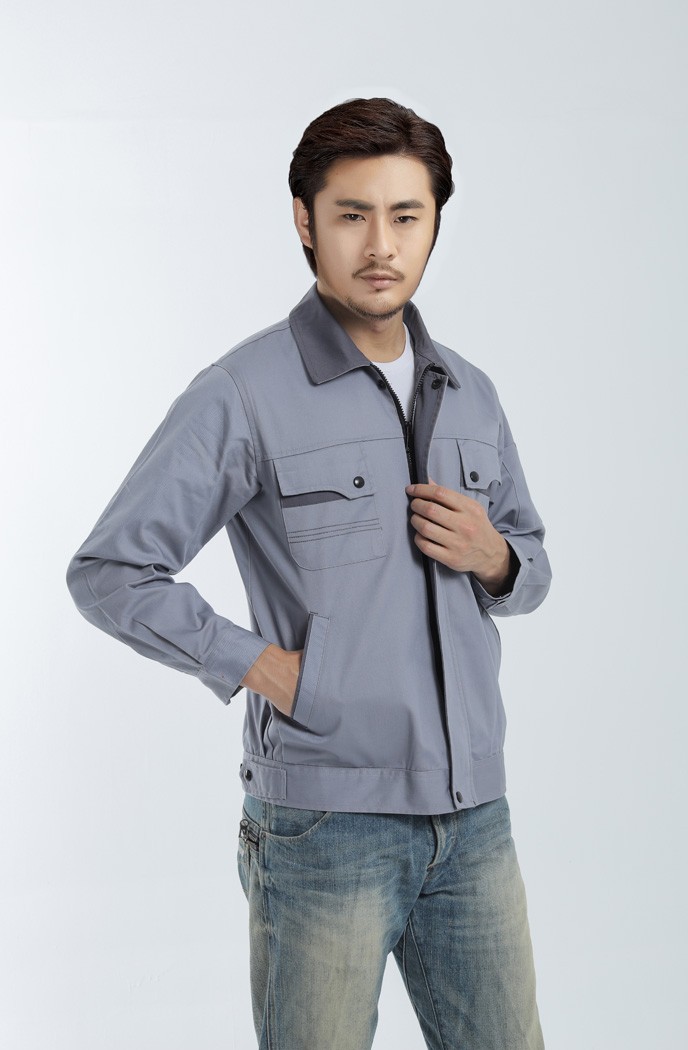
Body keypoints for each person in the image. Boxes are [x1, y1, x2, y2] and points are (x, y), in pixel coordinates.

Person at [67, 97, 552, 1049]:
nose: (381, 245)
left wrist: (494, 558)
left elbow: (530, 568)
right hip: (324, 825)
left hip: (475, 821)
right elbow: (112, 570)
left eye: (406, 215)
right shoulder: (244, 393)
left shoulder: (471, 392)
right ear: (305, 221)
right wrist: (264, 667)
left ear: (435, 223)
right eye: (352, 214)